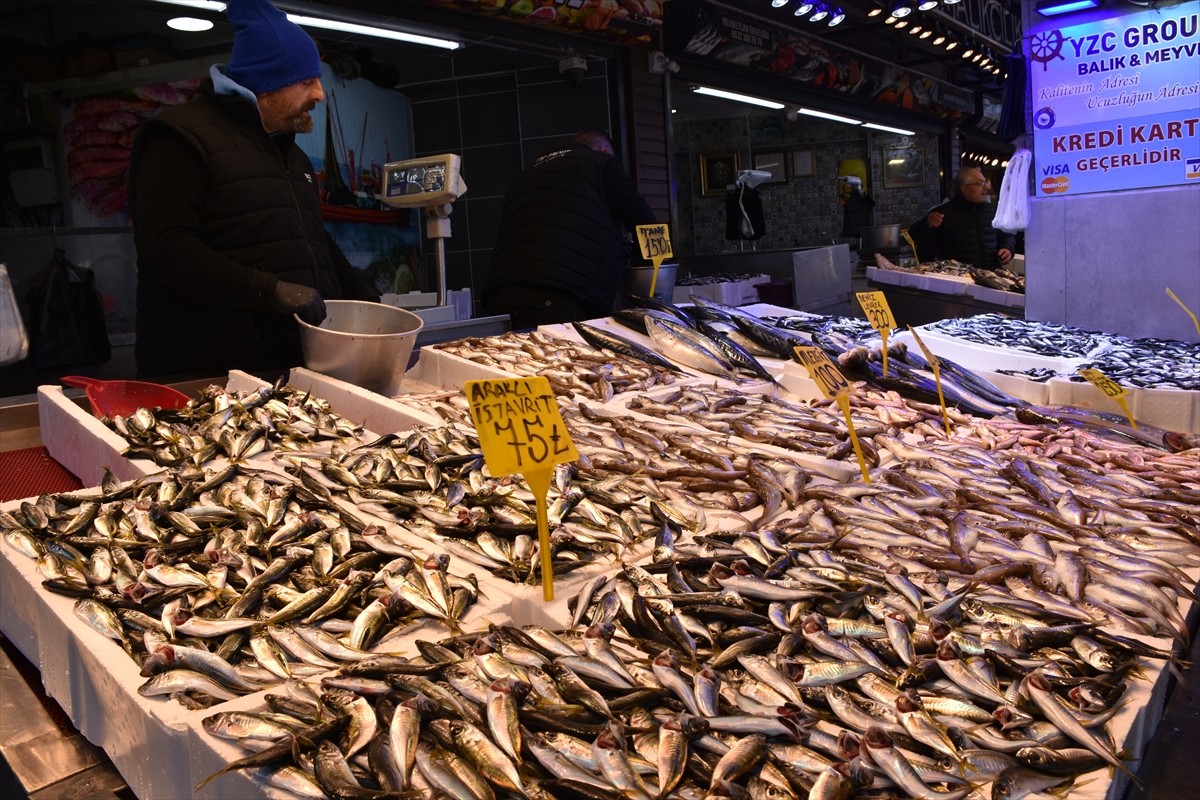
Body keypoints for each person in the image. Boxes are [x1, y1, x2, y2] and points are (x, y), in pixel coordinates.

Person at [129, 0, 378, 380]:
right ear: (268, 83)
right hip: (206, 374)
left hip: (286, 367)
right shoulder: (178, 137)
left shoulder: (290, 154)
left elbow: (311, 239)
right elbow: (167, 247)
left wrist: (363, 296)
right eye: (307, 81)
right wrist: (269, 291)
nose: (320, 95)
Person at [483, 130, 656, 329]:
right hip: (560, 296)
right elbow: (647, 225)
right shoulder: (602, 163)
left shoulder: (527, 174)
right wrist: (657, 279)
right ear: (604, 150)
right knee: (570, 359)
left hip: (501, 295)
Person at [906, 167, 1015, 270]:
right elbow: (914, 238)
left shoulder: (995, 211)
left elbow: (1007, 235)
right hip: (957, 280)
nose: (986, 187)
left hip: (991, 276)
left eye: (984, 182)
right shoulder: (942, 214)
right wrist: (926, 224)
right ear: (965, 189)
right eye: (979, 183)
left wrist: (1007, 248)